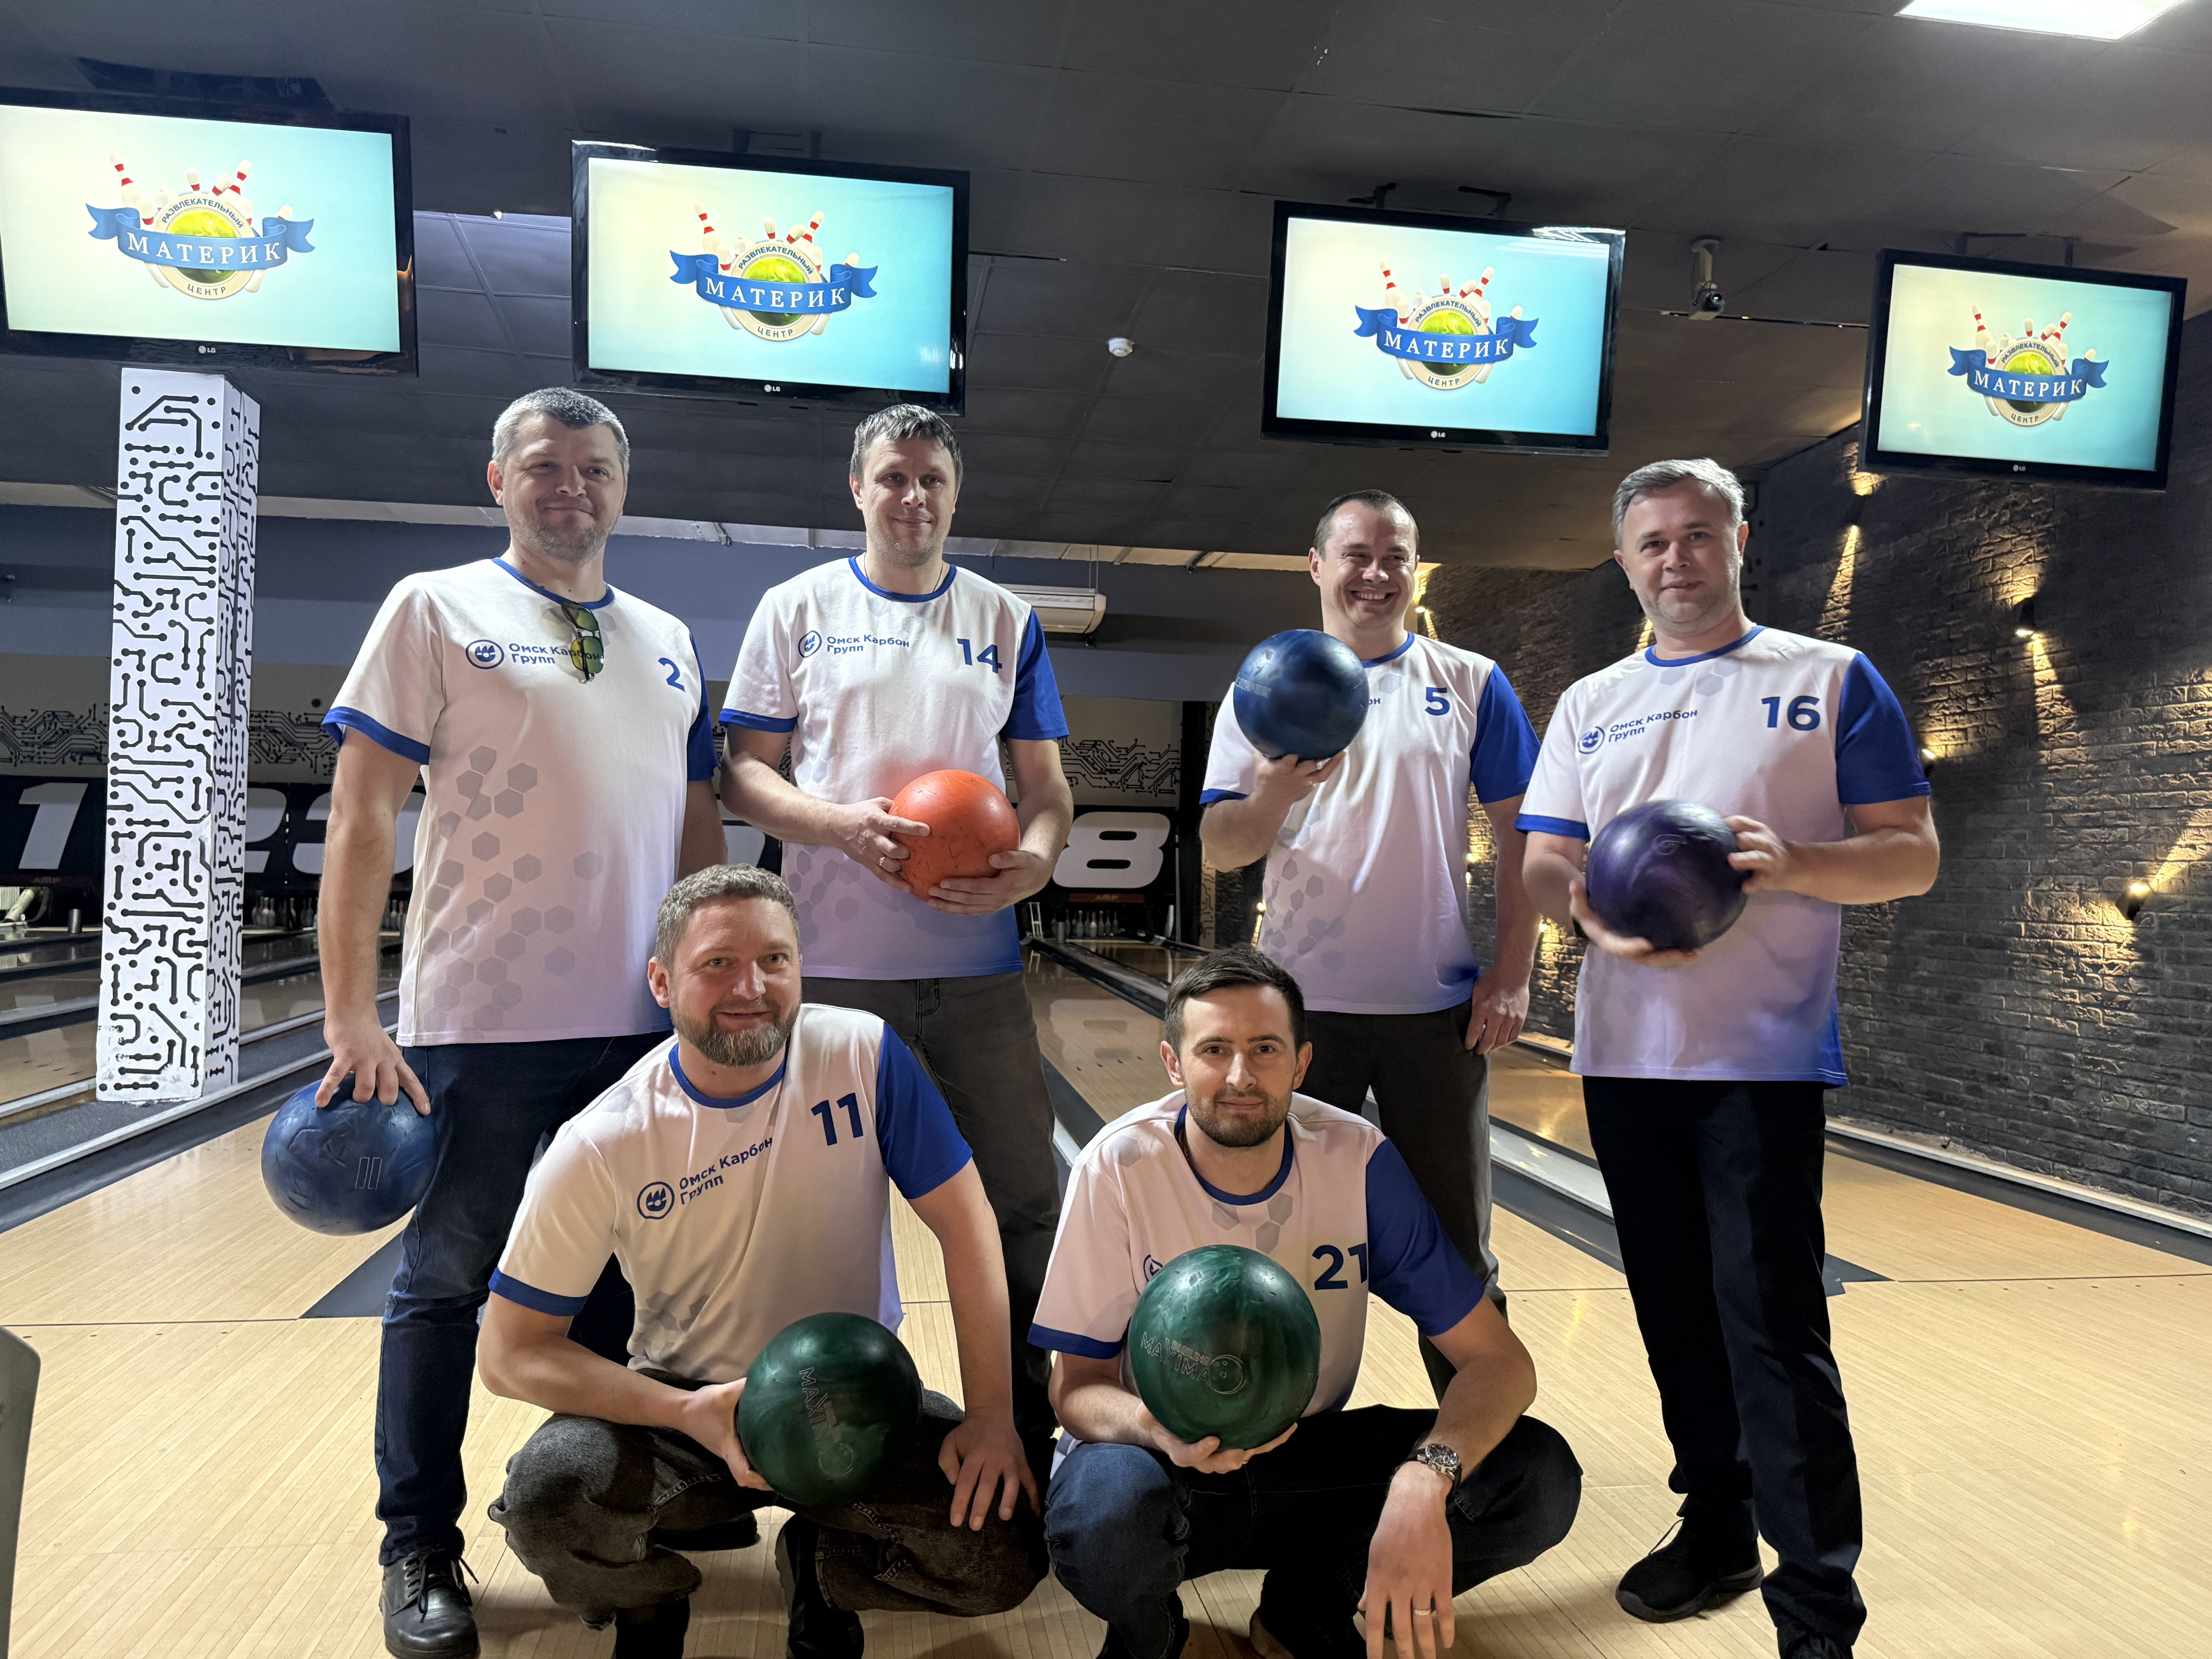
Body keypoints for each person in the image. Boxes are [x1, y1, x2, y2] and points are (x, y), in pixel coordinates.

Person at [319, 387, 727, 1659]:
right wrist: (350, 1013)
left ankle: (613, 1530)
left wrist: (712, 991)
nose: (571, 486)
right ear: (497, 479)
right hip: (481, 1023)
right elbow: (363, 816)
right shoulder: (434, 609)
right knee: (446, 1286)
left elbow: (697, 826)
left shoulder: (669, 638)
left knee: (623, 1294)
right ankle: (418, 1545)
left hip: (640, 1033)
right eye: (544, 465)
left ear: (623, 487)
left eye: (594, 466)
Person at [1518, 458, 1939, 1659]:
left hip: (1762, 1061)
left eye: (1698, 534)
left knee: (1773, 1328)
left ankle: (1817, 1613)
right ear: (1624, 561)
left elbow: (1912, 852)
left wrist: (1797, 865)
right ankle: (1716, 1528)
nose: (1677, 559)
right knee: (1676, 1312)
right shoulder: (1593, 701)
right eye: (1653, 542)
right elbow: (1546, 857)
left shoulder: (1829, 678)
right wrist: (1582, 913)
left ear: (1740, 540)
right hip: (1625, 1055)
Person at [479, 865, 1042, 1658]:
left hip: (858, 1398)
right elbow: (508, 1353)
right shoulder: (602, 1142)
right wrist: (681, 1412)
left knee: (1001, 1556)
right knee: (549, 1502)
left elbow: (968, 1226)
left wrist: (990, 1418)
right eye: (718, 963)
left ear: (800, 967)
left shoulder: (862, 1053)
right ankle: (650, 1601)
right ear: (663, 982)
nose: (751, 987)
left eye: (774, 960)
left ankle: (823, 1566)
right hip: (688, 1408)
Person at [1034, 946, 1582, 1659]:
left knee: (1536, 1478)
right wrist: (1155, 1428)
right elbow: (1075, 1389)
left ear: (1301, 1063)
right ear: (1174, 1063)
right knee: (1101, 1520)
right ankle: (1150, 1632)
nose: (1240, 1076)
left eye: (1265, 1049)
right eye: (1214, 1050)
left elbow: (1499, 1361)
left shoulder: (1357, 1160)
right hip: (1160, 1464)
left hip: (1307, 1457)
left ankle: (1307, 1608)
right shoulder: (1119, 1165)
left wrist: (1427, 1475)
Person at [719, 403, 1074, 1479]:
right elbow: (743, 773)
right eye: (892, 477)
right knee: (818, 1216)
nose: (912, 496)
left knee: (1026, 1204)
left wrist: (1039, 859)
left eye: (931, 480)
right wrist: (836, 824)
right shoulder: (796, 608)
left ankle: (1027, 1438)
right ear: (858, 488)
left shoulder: (1005, 617)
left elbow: (1047, 791)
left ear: (955, 496)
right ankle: (818, 1446)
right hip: (831, 969)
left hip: (977, 972)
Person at [1199, 491, 1540, 1393]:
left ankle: (1480, 1448)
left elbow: (1525, 834)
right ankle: (1268, 1435)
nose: (1378, 574)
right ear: (1317, 566)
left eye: (1397, 556)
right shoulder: (1262, 687)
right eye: (1358, 555)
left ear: (1417, 570)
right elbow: (1223, 846)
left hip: (1438, 1014)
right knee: (1277, 1236)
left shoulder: (1471, 681)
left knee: (1458, 1253)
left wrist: (1513, 971)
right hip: (1299, 1017)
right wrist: (1275, 792)